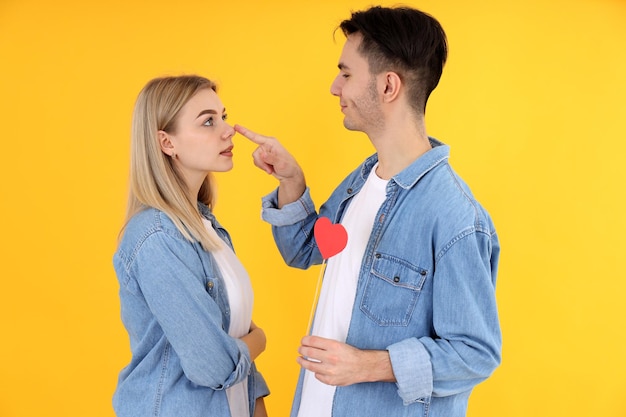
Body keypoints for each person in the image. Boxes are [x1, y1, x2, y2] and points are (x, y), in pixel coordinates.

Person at [235, 5, 501, 417]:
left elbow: (475, 352)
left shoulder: (455, 218)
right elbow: (305, 251)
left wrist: (368, 365)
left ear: (388, 86)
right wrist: (292, 182)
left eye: (345, 73)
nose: (333, 88)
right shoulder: (362, 180)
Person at [113, 75, 269, 417]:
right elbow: (213, 366)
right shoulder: (157, 238)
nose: (227, 130)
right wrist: (259, 341)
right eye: (208, 121)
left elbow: (232, 349)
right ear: (167, 143)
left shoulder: (208, 228)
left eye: (223, 116)